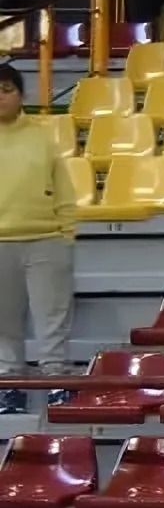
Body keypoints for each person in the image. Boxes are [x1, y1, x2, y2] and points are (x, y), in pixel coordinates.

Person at [0, 63, 74, 415]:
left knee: (52, 317)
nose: (1, 97)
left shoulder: (42, 137)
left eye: (7, 90)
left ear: (21, 94)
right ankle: (9, 387)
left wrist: (66, 233)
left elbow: (63, 189)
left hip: (46, 240)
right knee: (3, 322)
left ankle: (56, 382)